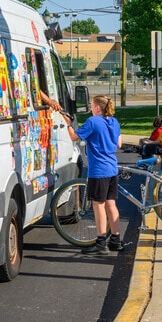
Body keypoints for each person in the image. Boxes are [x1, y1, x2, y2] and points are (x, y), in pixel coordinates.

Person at [62, 95, 123, 255]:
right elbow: (119, 144)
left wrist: (68, 124)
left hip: (99, 170)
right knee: (111, 204)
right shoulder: (114, 121)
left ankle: (101, 241)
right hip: (112, 168)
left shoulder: (92, 122)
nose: (90, 107)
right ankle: (116, 240)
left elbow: (74, 136)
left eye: (91, 105)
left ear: (97, 107)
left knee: (98, 205)